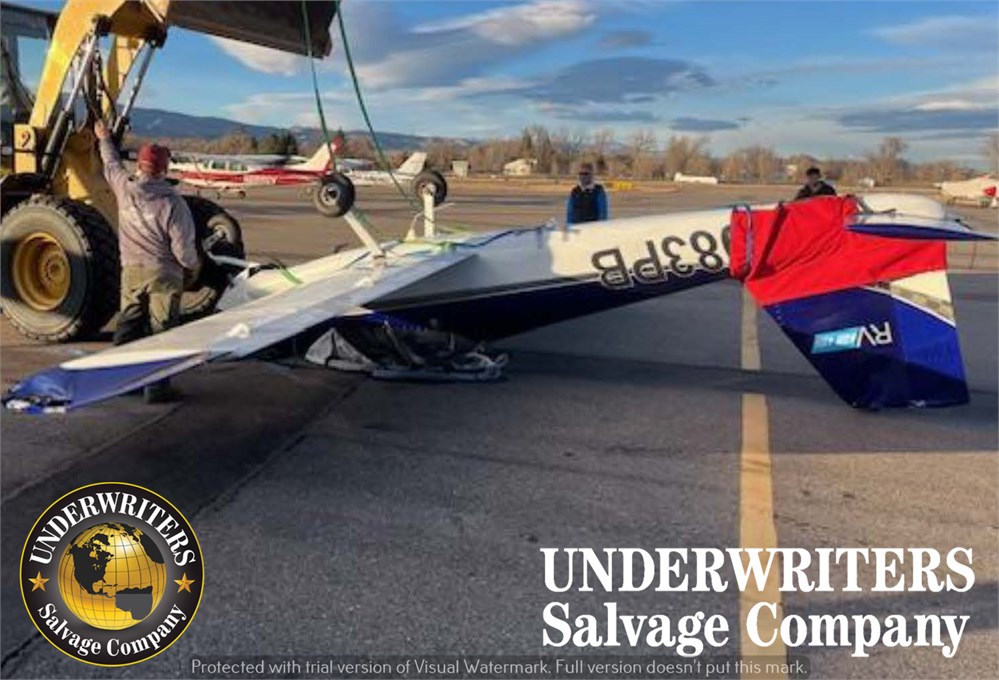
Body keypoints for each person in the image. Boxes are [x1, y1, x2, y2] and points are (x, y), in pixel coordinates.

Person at [94, 119, 201, 402]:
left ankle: (121, 382)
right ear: (164, 170)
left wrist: (104, 137)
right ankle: (156, 389)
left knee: (128, 326)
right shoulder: (173, 203)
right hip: (164, 274)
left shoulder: (123, 187)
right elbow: (183, 250)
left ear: (139, 167)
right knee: (161, 332)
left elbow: (111, 163)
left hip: (131, 270)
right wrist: (194, 268)